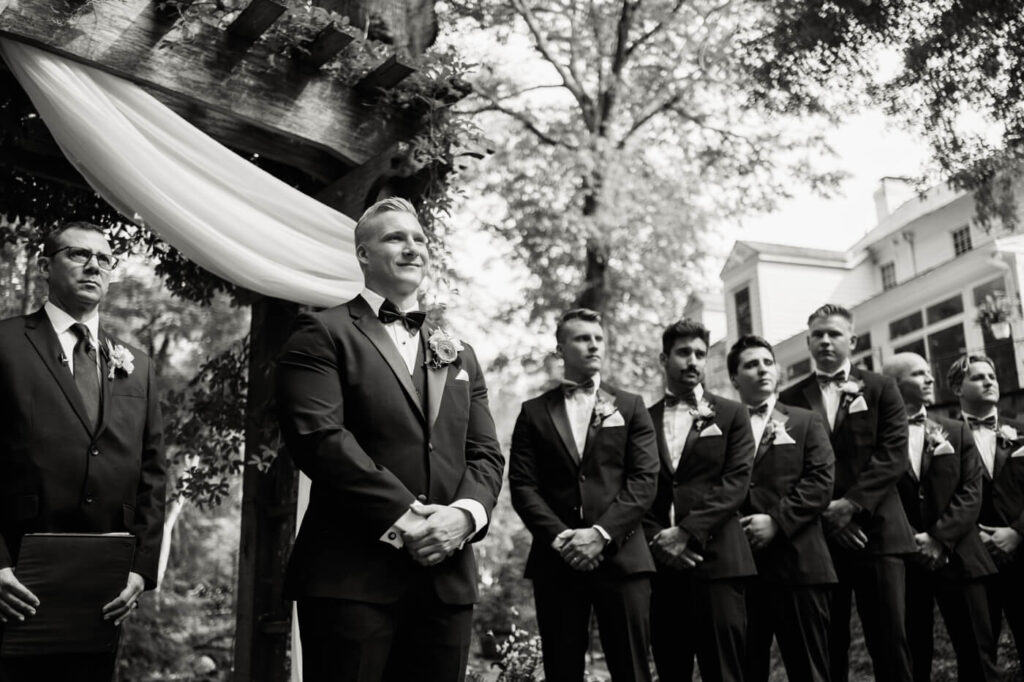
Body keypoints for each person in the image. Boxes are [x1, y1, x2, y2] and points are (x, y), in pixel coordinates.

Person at [275, 198, 504, 682]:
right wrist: (412, 521)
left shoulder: (460, 352)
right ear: (363, 255)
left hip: (448, 578)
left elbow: (484, 454)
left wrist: (463, 518)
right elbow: (320, 438)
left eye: (419, 239)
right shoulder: (322, 332)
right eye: (395, 238)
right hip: (350, 577)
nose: (412, 247)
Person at [0, 221, 166, 681]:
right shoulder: (6, 343)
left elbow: (153, 472)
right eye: (78, 254)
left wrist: (140, 570)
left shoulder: (138, 366)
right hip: (12, 578)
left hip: (100, 592)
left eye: (105, 259)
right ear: (43, 266)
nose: (94, 265)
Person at [508, 308, 658, 682]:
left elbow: (644, 480)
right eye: (581, 338)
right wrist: (563, 540)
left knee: (632, 670)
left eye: (598, 338)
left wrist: (600, 535)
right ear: (560, 349)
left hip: (623, 559)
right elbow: (524, 487)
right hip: (557, 562)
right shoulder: (533, 413)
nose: (593, 345)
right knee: (562, 668)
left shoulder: (631, 406)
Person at [779, 303, 914, 682]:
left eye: (834, 333)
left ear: (852, 340)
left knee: (890, 641)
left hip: (879, 534)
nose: (825, 340)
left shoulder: (882, 387)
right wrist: (827, 516)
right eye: (818, 335)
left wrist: (852, 505)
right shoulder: (788, 400)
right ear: (807, 342)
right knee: (827, 645)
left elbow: (893, 455)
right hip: (819, 540)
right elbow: (788, 469)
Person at [644, 319, 756, 682]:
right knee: (671, 668)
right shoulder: (643, 421)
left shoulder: (732, 414)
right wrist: (657, 539)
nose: (692, 361)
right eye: (683, 353)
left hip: (719, 563)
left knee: (724, 673)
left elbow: (736, 483)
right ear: (664, 358)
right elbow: (634, 489)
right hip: (661, 568)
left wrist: (687, 532)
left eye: (700, 354)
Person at [884, 353, 999, 680]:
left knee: (978, 653)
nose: (930, 378)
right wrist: (910, 540)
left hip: (959, 555)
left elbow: (970, 491)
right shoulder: (875, 438)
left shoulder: (955, 432)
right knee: (910, 656)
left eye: (928, 372)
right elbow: (877, 493)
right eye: (918, 374)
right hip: (902, 562)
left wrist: (939, 538)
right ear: (894, 384)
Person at [728, 335, 835, 682]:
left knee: (810, 670)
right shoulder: (723, 426)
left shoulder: (805, 421)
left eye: (767, 362)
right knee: (746, 670)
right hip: (741, 570)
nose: (761, 369)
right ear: (734, 379)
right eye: (750, 364)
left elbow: (820, 482)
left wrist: (776, 521)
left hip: (799, 564)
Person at [949, 353, 1024, 665]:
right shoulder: (942, 437)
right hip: (971, 559)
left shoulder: (1021, 429)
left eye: (991, 376)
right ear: (957, 388)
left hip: (1022, 552)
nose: (989, 382)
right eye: (978, 377)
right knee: (978, 656)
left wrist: (1017, 532)